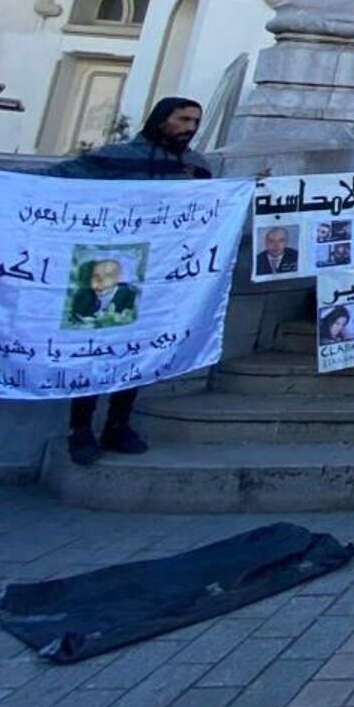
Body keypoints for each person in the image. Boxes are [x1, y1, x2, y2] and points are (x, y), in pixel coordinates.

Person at [45, 96, 210, 465]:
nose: (190, 128)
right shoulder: (115, 157)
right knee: (94, 350)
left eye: (196, 122)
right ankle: (81, 428)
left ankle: (118, 424)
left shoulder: (196, 166)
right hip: (107, 267)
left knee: (136, 351)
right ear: (161, 119)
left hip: (160, 274)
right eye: (183, 119)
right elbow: (56, 181)